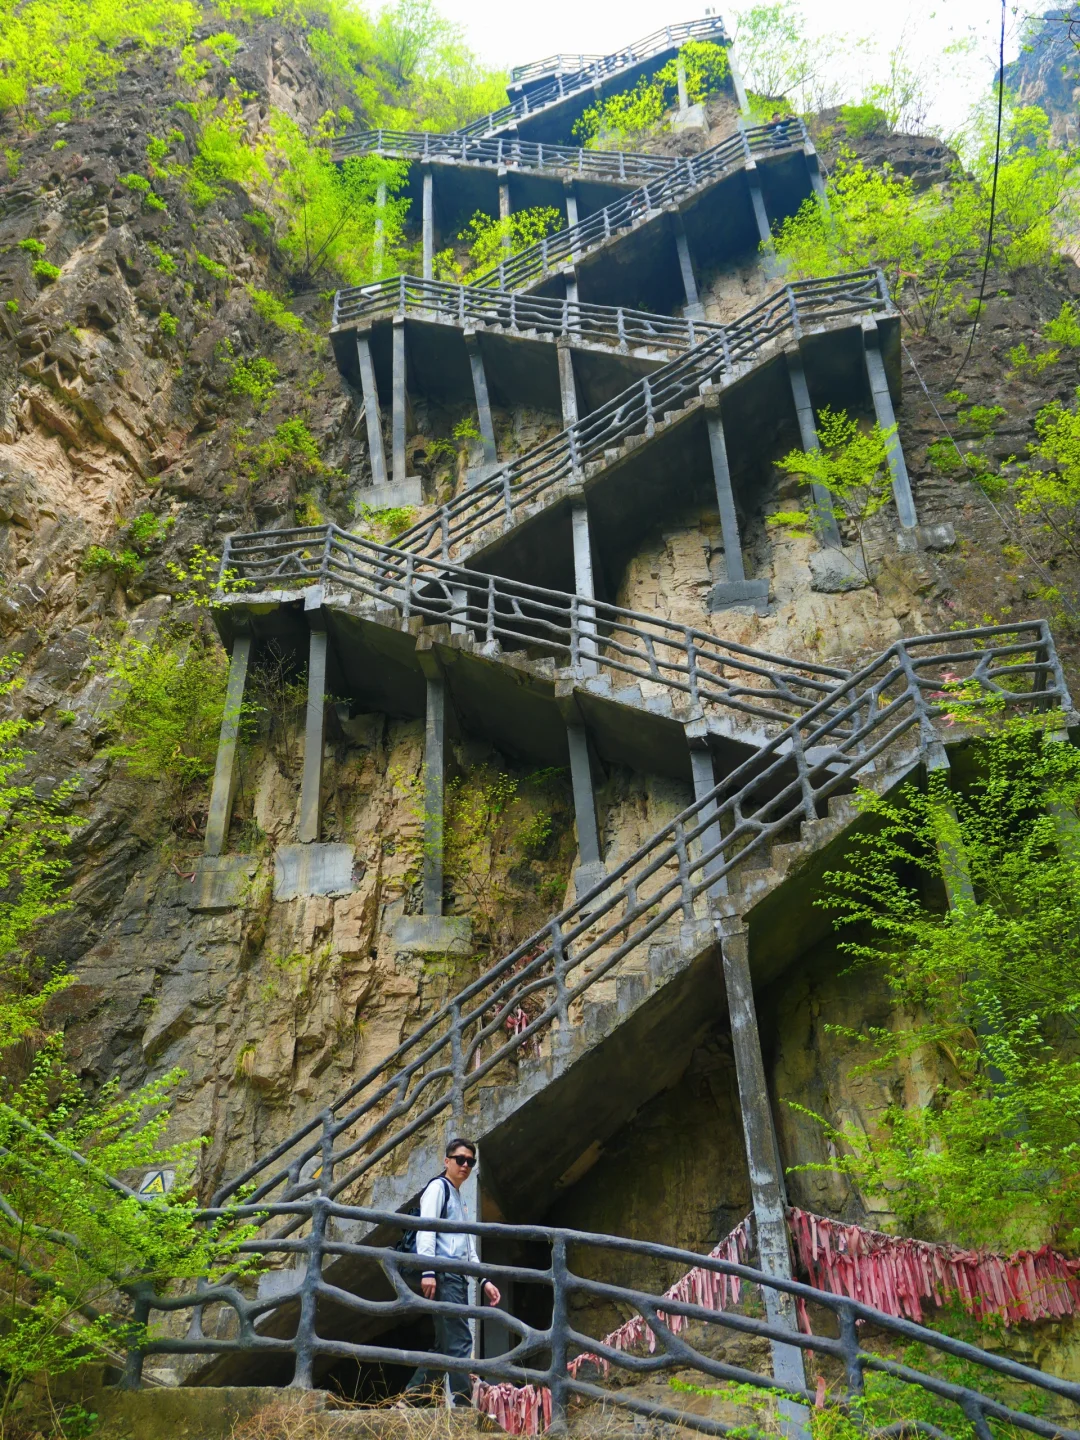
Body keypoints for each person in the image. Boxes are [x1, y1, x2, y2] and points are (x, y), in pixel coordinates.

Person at [400, 1138, 501, 1408]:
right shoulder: (438, 1188)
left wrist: (484, 1280)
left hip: (456, 1276)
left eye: (470, 1161)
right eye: (460, 1159)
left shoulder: (458, 1198)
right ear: (447, 1161)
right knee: (459, 1341)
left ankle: (408, 1402)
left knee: (445, 1346)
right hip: (445, 1275)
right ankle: (464, 1406)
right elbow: (426, 1230)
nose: (465, 1165)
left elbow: (468, 1248)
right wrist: (429, 1271)